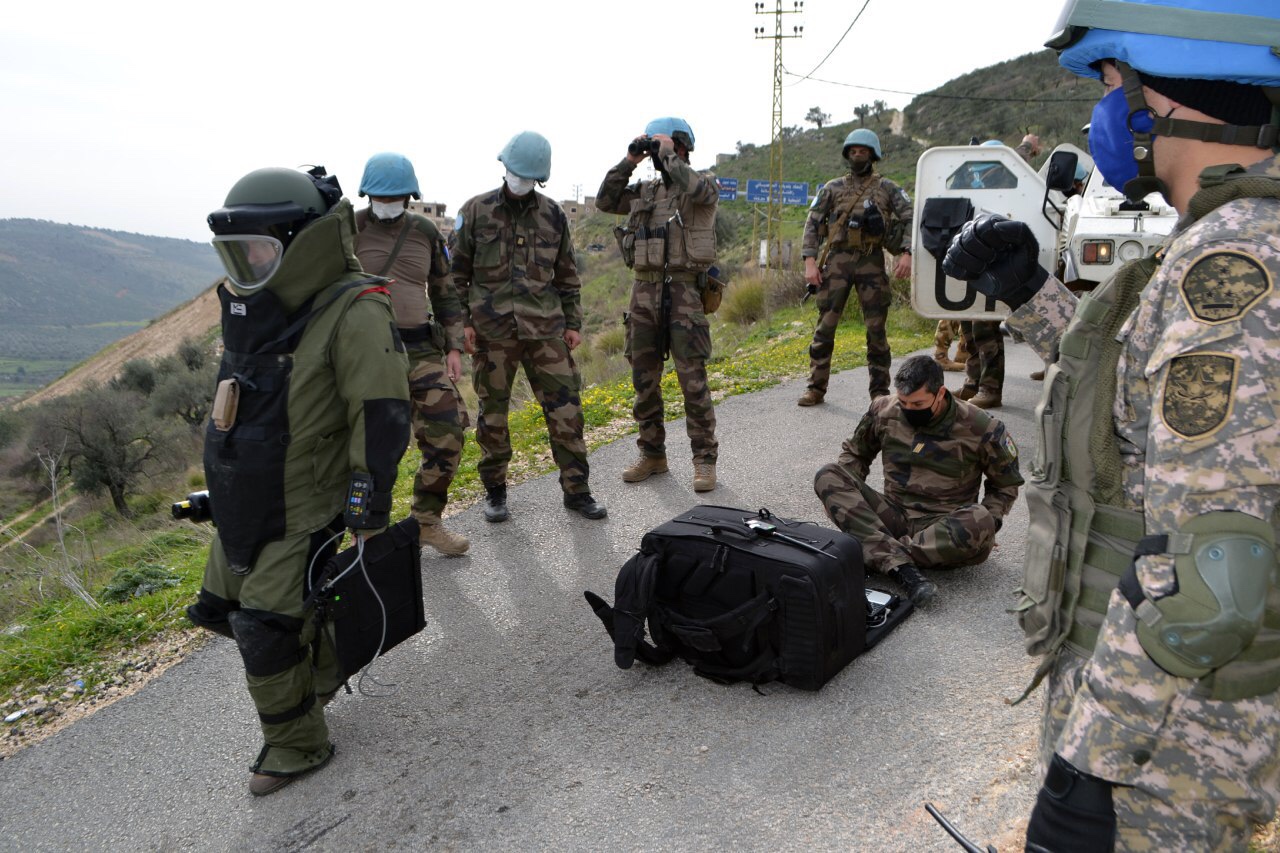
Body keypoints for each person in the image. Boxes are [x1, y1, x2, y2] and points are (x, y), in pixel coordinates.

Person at [944, 1, 1280, 846]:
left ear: (1162, 96)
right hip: (1169, 715)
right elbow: (1148, 410)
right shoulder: (1225, 234)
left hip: (1168, 748)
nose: (1102, 107)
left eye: (1107, 79)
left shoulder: (1232, 262)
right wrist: (1032, 296)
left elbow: (1211, 580)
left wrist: (1089, 766)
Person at [188, 166, 411, 795]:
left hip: (305, 503)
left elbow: (382, 414)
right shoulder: (254, 309)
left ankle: (295, 747)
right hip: (247, 500)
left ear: (303, 242)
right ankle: (318, 671)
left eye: (262, 248)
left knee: (265, 624)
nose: (250, 262)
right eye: (239, 251)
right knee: (224, 611)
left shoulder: (355, 309)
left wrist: (366, 507)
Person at [451, 131, 606, 522]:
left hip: (546, 329)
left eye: (529, 175)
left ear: (540, 177)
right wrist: (462, 325)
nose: (521, 179)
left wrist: (573, 322)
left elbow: (567, 273)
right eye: (516, 172)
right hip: (492, 331)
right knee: (493, 416)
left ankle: (577, 491)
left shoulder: (553, 214)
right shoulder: (475, 211)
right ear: (504, 167)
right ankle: (496, 492)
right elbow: (454, 277)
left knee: (567, 410)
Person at [812, 355, 1022, 606]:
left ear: (940, 393)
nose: (909, 409)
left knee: (981, 519)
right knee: (828, 475)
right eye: (904, 402)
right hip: (893, 516)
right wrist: (848, 499)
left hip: (943, 528)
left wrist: (992, 521)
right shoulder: (883, 410)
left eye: (918, 403)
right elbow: (856, 454)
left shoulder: (982, 426)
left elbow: (1005, 483)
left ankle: (877, 551)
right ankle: (900, 566)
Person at [595, 117, 720, 492]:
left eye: (665, 147)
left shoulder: (702, 186)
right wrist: (629, 160)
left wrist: (669, 156)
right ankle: (652, 454)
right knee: (643, 380)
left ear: (682, 147)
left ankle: (704, 460)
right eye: (654, 148)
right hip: (644, 292)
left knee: (692, 381)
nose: (657, 155)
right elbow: (604, 200)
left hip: (684, 292)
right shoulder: (645, 192)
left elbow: (698, 189)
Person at [354, 152, 470, 556]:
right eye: (381, 196)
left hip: (421, 347)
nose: (388, 202)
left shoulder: (423, 230)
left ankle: (426, 521)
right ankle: (368, 532)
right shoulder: (347, 228)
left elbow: (444, 288)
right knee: (371, 445)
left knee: (448, 431)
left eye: (397, 196)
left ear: (409, 195)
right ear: (367, 195)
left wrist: (454, 346)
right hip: (368, 349)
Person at [798, 128, 913, 405]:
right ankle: (816, 387)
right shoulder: (832, 188)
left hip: (871, 260)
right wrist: (810, 261)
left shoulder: (888, 188)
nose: (857, 155)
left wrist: (907, 252)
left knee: (876, 329)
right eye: (853, 151)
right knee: (825, 326)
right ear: (847, 154)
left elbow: (911, 216)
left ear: (872, 155)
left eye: (862, 151)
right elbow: (813, 223)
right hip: (837, 261)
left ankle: (880, 393)